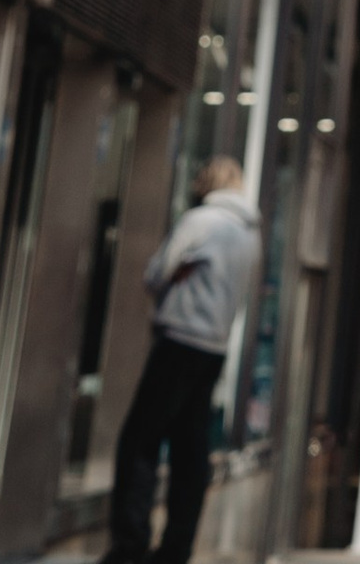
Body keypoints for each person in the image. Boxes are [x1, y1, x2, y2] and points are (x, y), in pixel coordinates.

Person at [107, 157, 258, 564]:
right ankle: (177, 548)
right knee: (191, 450)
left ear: (205, 183)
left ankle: (129, 544)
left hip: (179, 340)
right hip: (214, 349)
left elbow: (155, 274)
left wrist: (173, 278)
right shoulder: (249, 233)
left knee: (140, 441)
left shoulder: (201, 221)